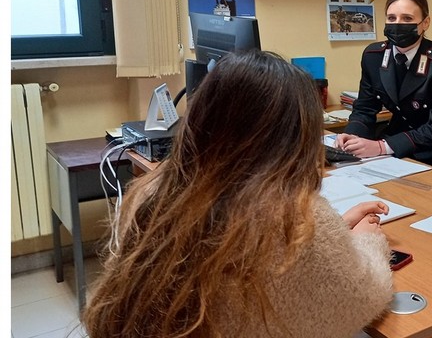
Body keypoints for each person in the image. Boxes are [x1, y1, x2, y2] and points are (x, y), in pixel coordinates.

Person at [82, 50, 393, 338]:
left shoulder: (154, 190)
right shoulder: (292, 216)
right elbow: (363, 296)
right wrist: (366, 240)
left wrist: (336, 232)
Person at [336, 0, 432, 176]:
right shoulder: (374, 56)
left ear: (425, 23)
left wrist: (381, 147)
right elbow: (365, 108)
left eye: (407, 19)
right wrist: (352, 136)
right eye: (391, 18)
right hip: (394, 147)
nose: (398, 24)